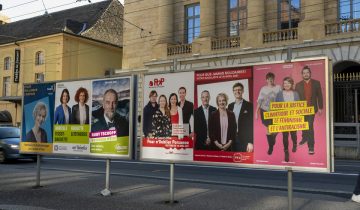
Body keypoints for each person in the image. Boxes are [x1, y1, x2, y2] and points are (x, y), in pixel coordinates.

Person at [295, 66, 323, 155]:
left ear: (310, 73)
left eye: (307, 72)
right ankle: (304, 138)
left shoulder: (316, 83)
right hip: (301, 109)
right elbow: (296, 98)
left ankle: (311, 147)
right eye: (304, 73)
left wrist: (320, 107)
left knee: (310, 126)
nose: (306, 74)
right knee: (303, 125)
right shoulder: (298, 85)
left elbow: (320, 95)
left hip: (311, 109)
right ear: (302, 75)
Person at [256, 72, 282, 155]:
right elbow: (260, 101)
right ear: (266, 80)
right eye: (268, 79)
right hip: (265, 110)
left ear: (274, 79)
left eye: (272, 78)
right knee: (268, 129)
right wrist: (256, 112)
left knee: (276, 129)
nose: (270, 80)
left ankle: (273, 137)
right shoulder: (263, 89)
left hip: (276, 111)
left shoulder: (278, 87)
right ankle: (270, 147)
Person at [276, 77, 300, 162]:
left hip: (293, 118)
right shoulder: (279, 94)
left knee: (293, 134)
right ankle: (286, 151)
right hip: (283, 119)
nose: (286, 85)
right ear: (283, 84)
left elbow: (299, 106)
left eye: (288, 83)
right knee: (285, 135)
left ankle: (294, 144)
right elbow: (276, 107)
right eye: (285, 83)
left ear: (292, 84)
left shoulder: (296, 94)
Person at [228, 82, 254, 152]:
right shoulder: (230, 106)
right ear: (233, 92)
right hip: (232, 139)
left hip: (244, 140)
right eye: (235, 90)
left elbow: (251, 125)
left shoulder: (249, 105)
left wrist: (251, 142)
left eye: (239, 89)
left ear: (242, 91)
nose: (237, 91)